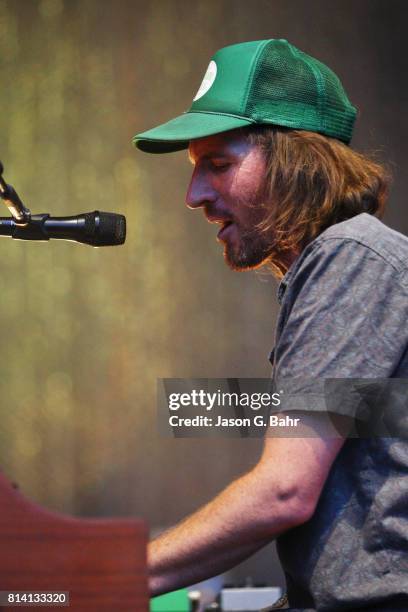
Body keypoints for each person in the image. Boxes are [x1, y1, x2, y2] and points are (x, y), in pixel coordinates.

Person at [133, 39, 408, 611]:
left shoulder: (351, 254)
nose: (194, 196)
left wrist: (109, 577)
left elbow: (284, 491)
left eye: (218, 164)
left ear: (297, 162)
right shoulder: (334, 265)